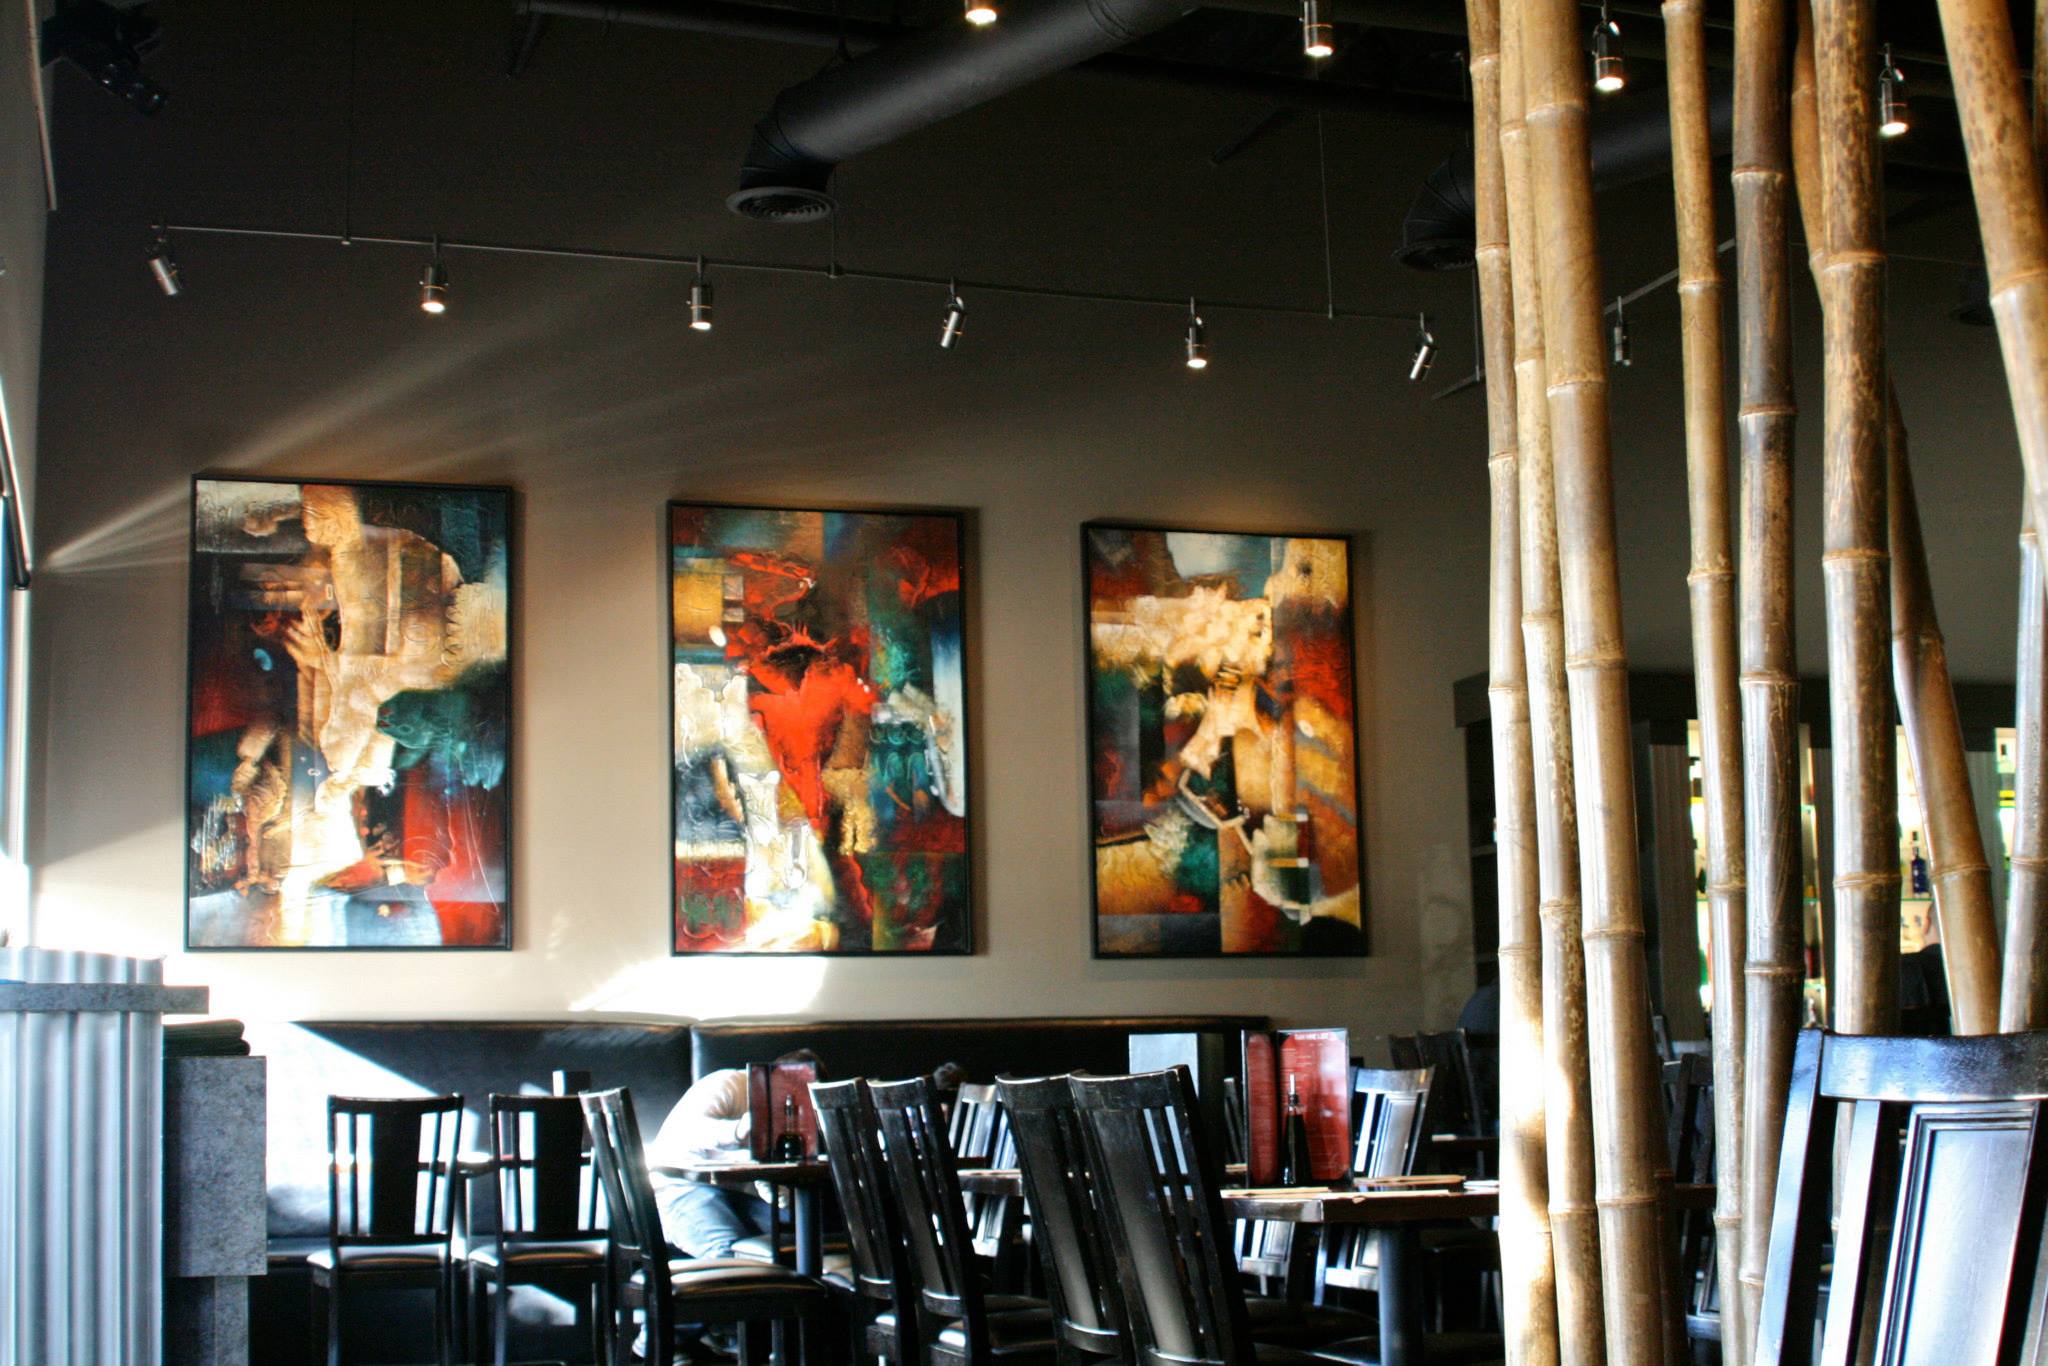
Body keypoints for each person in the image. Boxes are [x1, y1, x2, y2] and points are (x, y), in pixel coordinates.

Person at [646, 1049, 825, 1259]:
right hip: (678, 1187)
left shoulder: (792, 1116)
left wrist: (790, 1211)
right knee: (726, 1251)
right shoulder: (728, 1083)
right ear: (773, 1076)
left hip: (736, 1197)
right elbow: (687, 1132)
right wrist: (738, 1130)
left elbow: (769, 1177)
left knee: (802, 1240)